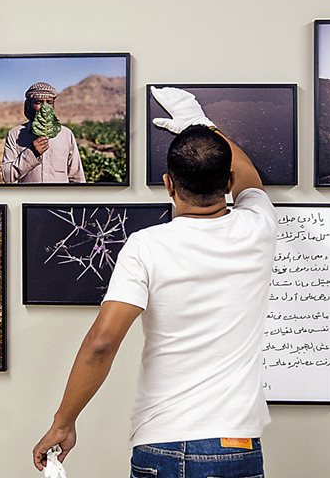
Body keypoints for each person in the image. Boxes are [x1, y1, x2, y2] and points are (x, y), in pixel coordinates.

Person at [32, 87, 276, 477]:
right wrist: (200, 124)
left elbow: (102, 343)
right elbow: (248, 174)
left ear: (168, 184)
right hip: (236, 444)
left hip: (161, 442)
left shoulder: (146, 246)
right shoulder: (258, 226)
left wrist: (64, 421)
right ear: (227, 182)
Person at [1, 82, 85, 184]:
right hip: (28, 199)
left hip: (60, 199)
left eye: (49, 102)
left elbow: (77, 177)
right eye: (38, 102)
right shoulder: (15, 135)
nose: (44, 108)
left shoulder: (66, 134)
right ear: (28, 105)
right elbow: (7, 177)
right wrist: (32, 153)